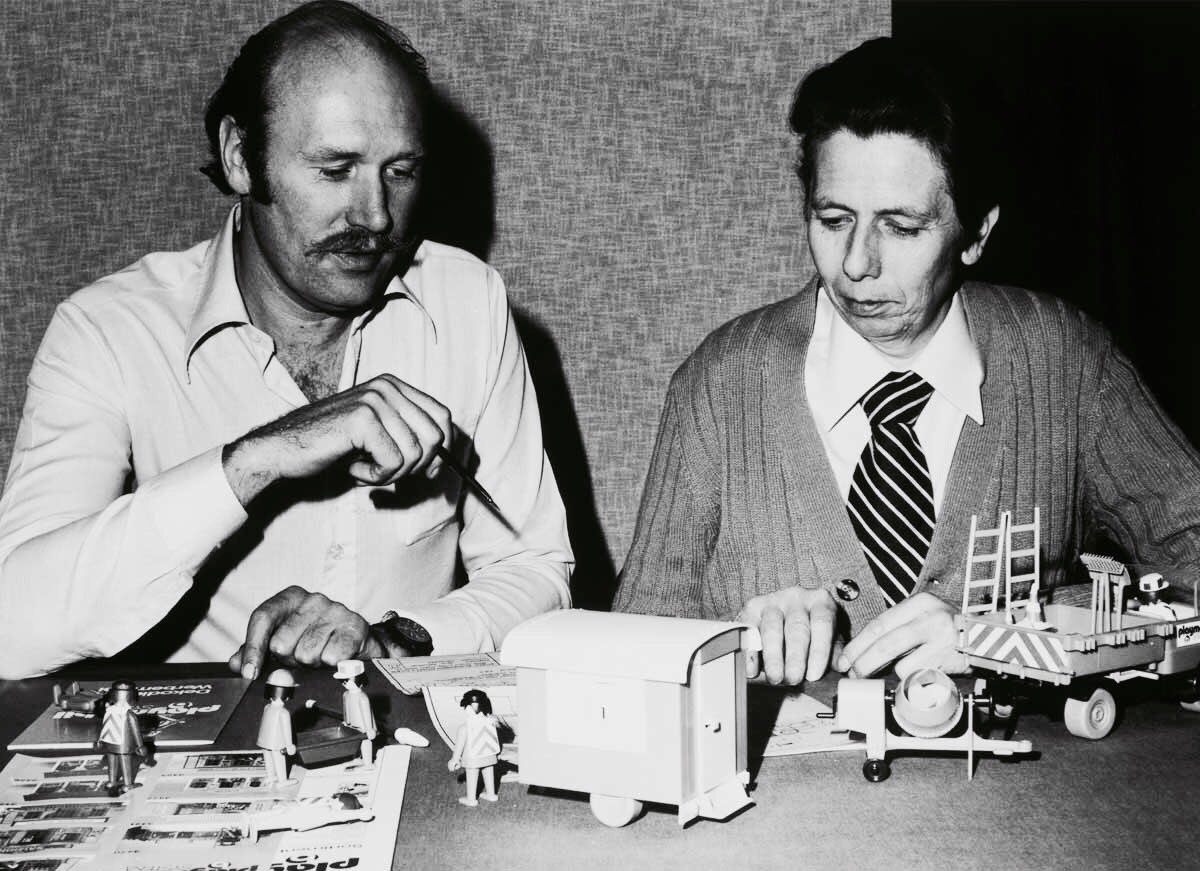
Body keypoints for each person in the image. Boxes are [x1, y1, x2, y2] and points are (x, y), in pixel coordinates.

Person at [0, 0, 572, 680]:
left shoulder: (467, 301)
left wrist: (397, 639)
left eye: (400, 171)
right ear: (240, 158)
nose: (375, 216)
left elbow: (535, 567)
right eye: (335, 169)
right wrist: (258, 459)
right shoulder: (107, 331)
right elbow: (13, 630)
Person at [615, 37, 1200, 686]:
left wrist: (1010, 637)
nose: (857, 264)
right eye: (833, 219)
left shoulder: (1068, 361)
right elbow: (625, 659)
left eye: (901, 226)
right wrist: (734, 643)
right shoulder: (719, 384)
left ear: (976, 233)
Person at [96, 680, 154, 796]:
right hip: (123, 743)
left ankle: (111, 782)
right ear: (132, 696)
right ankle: (127, 784)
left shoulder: (109, 710)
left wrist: (100, 740)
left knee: (112, 761)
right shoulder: (129, 713)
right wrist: (140, 746)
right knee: (125, 761)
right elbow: (135, 731)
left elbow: (105, 726)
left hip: (109, 742)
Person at [447, 688, 499, 807]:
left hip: (473, 758)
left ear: (468, 708)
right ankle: (491, 795)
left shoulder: (464, 728)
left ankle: (471, 800)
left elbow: (459, 746)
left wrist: (454, 759)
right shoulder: (490, 722)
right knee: (488, 773)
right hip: (489, 755)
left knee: (472, 777)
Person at [257, 668, 298, 784]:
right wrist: (289, 745)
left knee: (268, 759)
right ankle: (282, 780)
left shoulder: (267, 707)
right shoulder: (284, 712)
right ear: (288, 694)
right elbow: (286, 731)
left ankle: (271, 776)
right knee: (279, 760)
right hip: (276, 743)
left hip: (264, 741)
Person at [335, 659, 377, 769]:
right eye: (342, 681)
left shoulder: (362, 698)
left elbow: (366, 713)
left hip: (363, 726)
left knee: (365, 742)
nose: (344, 683)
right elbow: (346, 709)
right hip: (352, 725)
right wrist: (346, 721)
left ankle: (368, 763)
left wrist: (369, 729)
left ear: (359, 680)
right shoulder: (346, 695)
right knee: (354, 742)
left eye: (347, 680)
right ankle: (357, 758)